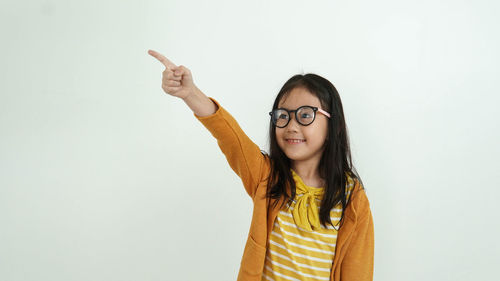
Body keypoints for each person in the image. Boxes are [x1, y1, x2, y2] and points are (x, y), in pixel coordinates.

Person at [148, 49, 374, 281]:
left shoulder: (352, 198)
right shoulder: (267, 176)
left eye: (305, 115)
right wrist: (190, 93)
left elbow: (359, 271)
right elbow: (230, 137)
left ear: (333, 125)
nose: (291, 125)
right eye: (283, 115)